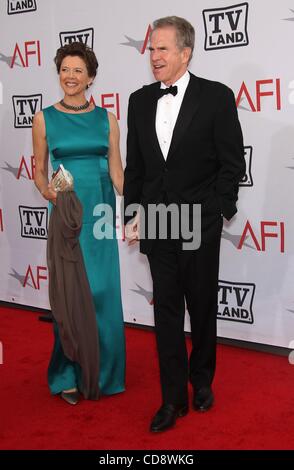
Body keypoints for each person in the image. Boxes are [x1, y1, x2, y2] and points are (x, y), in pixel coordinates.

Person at [124, 16, 245, 432]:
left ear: (185, 52)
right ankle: (172, 399)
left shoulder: (216, 97)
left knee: (203, 309)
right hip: (157, 224)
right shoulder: (139, 101)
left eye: (161, 48)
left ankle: (201, 381)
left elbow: (232, 165)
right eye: (151, 49)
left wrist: (215, 212)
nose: (153, 56)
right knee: (167, 315)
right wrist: (133, 215)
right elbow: (137, 168)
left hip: (199, 223)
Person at [33, 41, 125, 404]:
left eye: (78, 70)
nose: (70, 76)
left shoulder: (108, 119)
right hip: (67, 216)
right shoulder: (44, 118)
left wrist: (139, 203)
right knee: (69, 298)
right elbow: (39, 172)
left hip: (100, 212)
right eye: (65, 69)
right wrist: (49, 193)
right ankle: (66, 374)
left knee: (102, 293)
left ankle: (105, 375)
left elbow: (117, 172)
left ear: (91, 77)